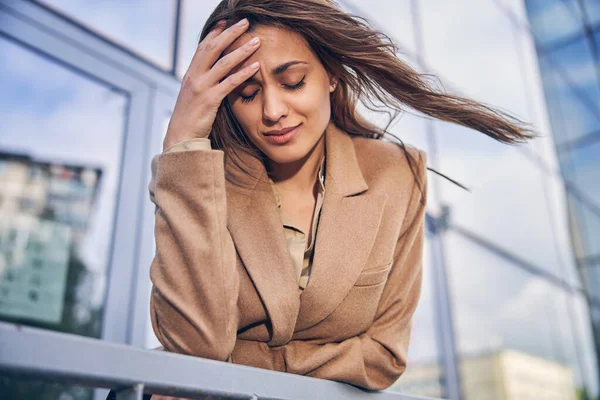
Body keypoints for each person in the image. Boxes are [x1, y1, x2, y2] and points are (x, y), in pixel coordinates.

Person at [108, 0, 534, 398]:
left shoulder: (396, 174)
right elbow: (196, 349)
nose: (272, 110)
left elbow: (383, 357)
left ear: (330, 73)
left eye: (293, 81)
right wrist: (183, 142)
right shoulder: (205, 181)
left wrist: (236, 363)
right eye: (248, 94)